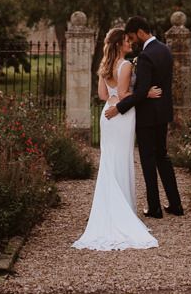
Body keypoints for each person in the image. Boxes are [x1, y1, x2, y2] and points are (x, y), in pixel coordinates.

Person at [72, 27, 160, 250]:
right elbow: (122, 96)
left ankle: (110, 209)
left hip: (106, 114)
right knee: (121, 158)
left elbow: (103, 95)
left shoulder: (104, 65)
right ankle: (124, 212)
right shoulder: (126, 65)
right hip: (122, 115)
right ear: (119, 43)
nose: (130, 43)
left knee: (109, 161)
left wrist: (126, 94)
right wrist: (144, 94)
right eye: (127, 41)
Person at [105, 16, 183, 219]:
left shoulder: (147, 56)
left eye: (132, 36)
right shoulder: (165, 50)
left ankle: (154, 207)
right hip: (163, 113)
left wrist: (118, 108)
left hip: (148, 116)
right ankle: (176, 205)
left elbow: (140, 93)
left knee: (148, 160)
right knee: (163, 157)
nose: (132, 41)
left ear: (140, 32)